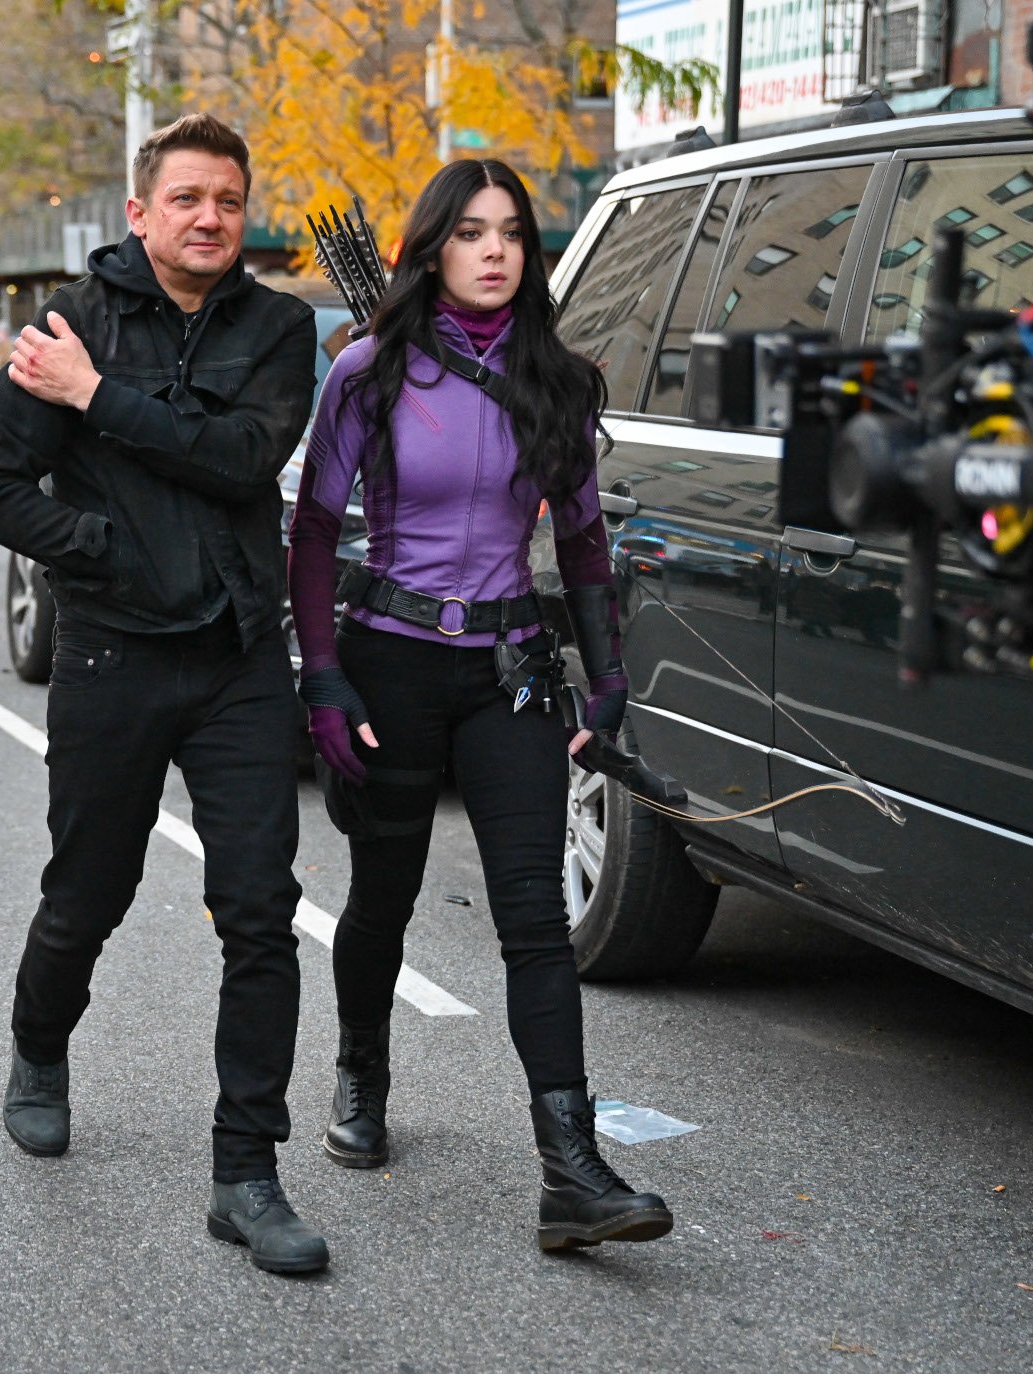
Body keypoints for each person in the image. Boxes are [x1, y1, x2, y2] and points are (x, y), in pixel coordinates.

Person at [0, 113, 325, 1275]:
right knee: (88, 895)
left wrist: (97, 398)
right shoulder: (69, 322)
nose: (209, 218)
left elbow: (242, 460)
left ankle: (245, 1174)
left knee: (259, 910)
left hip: (236, 659)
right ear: (138, 212)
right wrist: (95, 550)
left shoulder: (278, 328)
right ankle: (38, 1044)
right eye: (185, 199)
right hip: (109, 657)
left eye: (227, 200)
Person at [287, 158, 675, 1252]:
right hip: (390, 663)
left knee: (534, 921)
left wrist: (608, 679)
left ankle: (571, 1171)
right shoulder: (366, 371)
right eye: (469, 231)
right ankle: (361, 1071)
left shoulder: (558, 380)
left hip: (509, 672)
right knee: (383, 896)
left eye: (510, 232)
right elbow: (312, 533)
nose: (493, 249)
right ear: (433, 248)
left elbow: (582, 541)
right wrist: (323, 677)